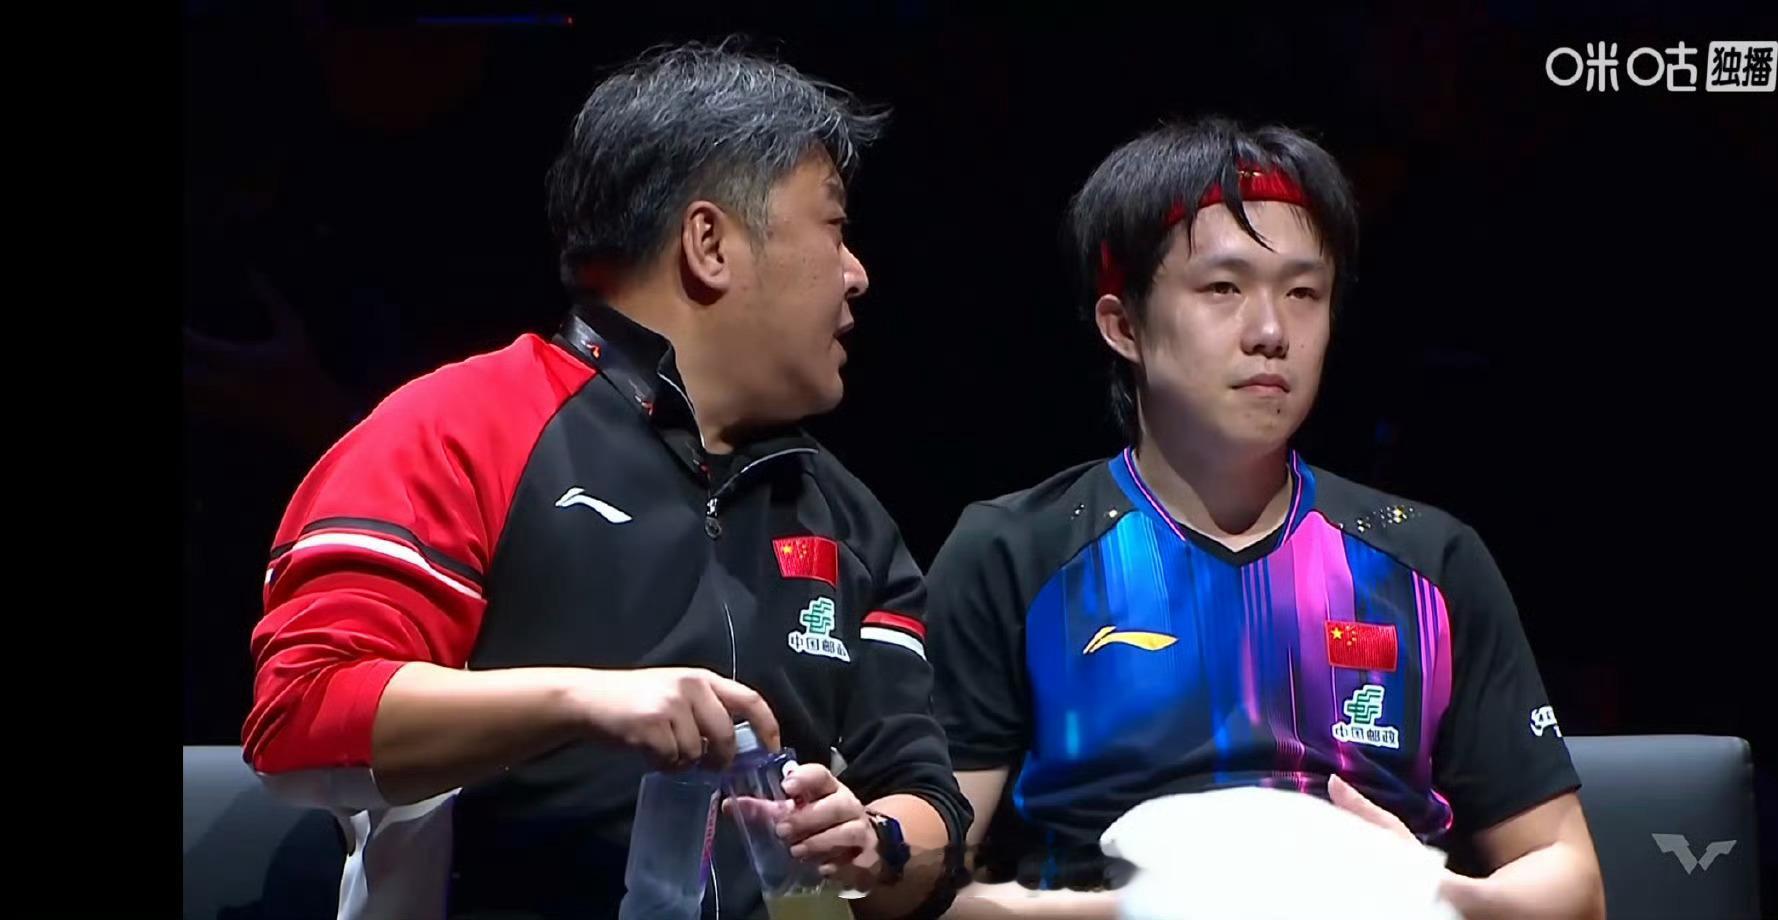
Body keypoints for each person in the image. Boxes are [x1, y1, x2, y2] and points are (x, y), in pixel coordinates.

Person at [243, 42, 969, 920]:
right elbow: (298, 716)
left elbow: (928, 809)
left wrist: (877, 843)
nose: (857, 273)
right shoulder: (460, 426)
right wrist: (583, 699)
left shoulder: (850, 518)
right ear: (709, 243)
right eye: (834, 225)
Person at [925, 118, 1604, 919]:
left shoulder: (1431, 562)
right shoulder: (1013, 553)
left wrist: (1435, 893)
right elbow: (925, 889)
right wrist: (1153, 908)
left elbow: (1570, 877)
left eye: (1303, 293)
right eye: (1224, 288)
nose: (1272, 332)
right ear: (1124, 324)